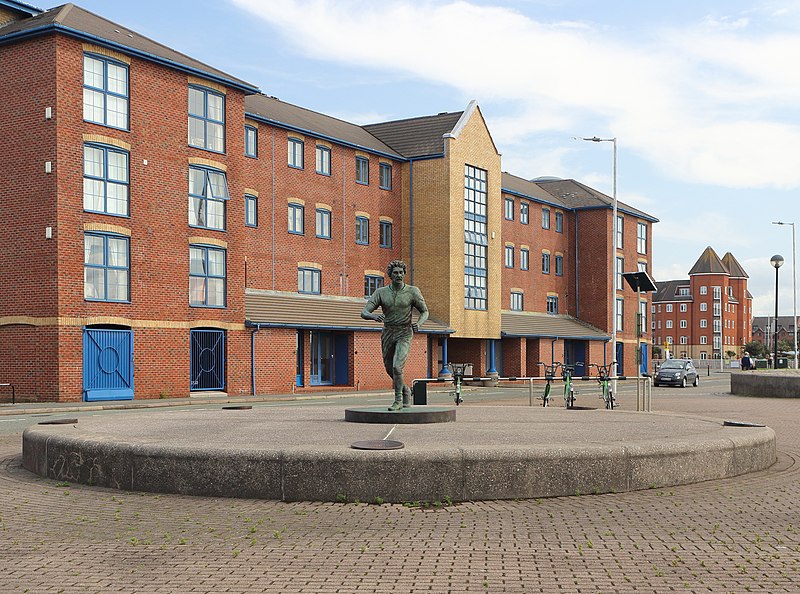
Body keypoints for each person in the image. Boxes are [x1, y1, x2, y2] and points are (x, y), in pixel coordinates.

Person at [361, 260, 429, 411]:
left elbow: (425, 311)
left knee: (397, 367)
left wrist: (419, 323)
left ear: (404, 274)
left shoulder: (413, 291)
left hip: (404, 332)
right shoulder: (381, 292)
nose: (399, 275)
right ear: (390, 275)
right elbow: (364, 312)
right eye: (395, 273)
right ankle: (405, 389)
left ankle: (398, 400)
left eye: (401, 272)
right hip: (388, 332)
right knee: (388, 368)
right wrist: (373, 317)